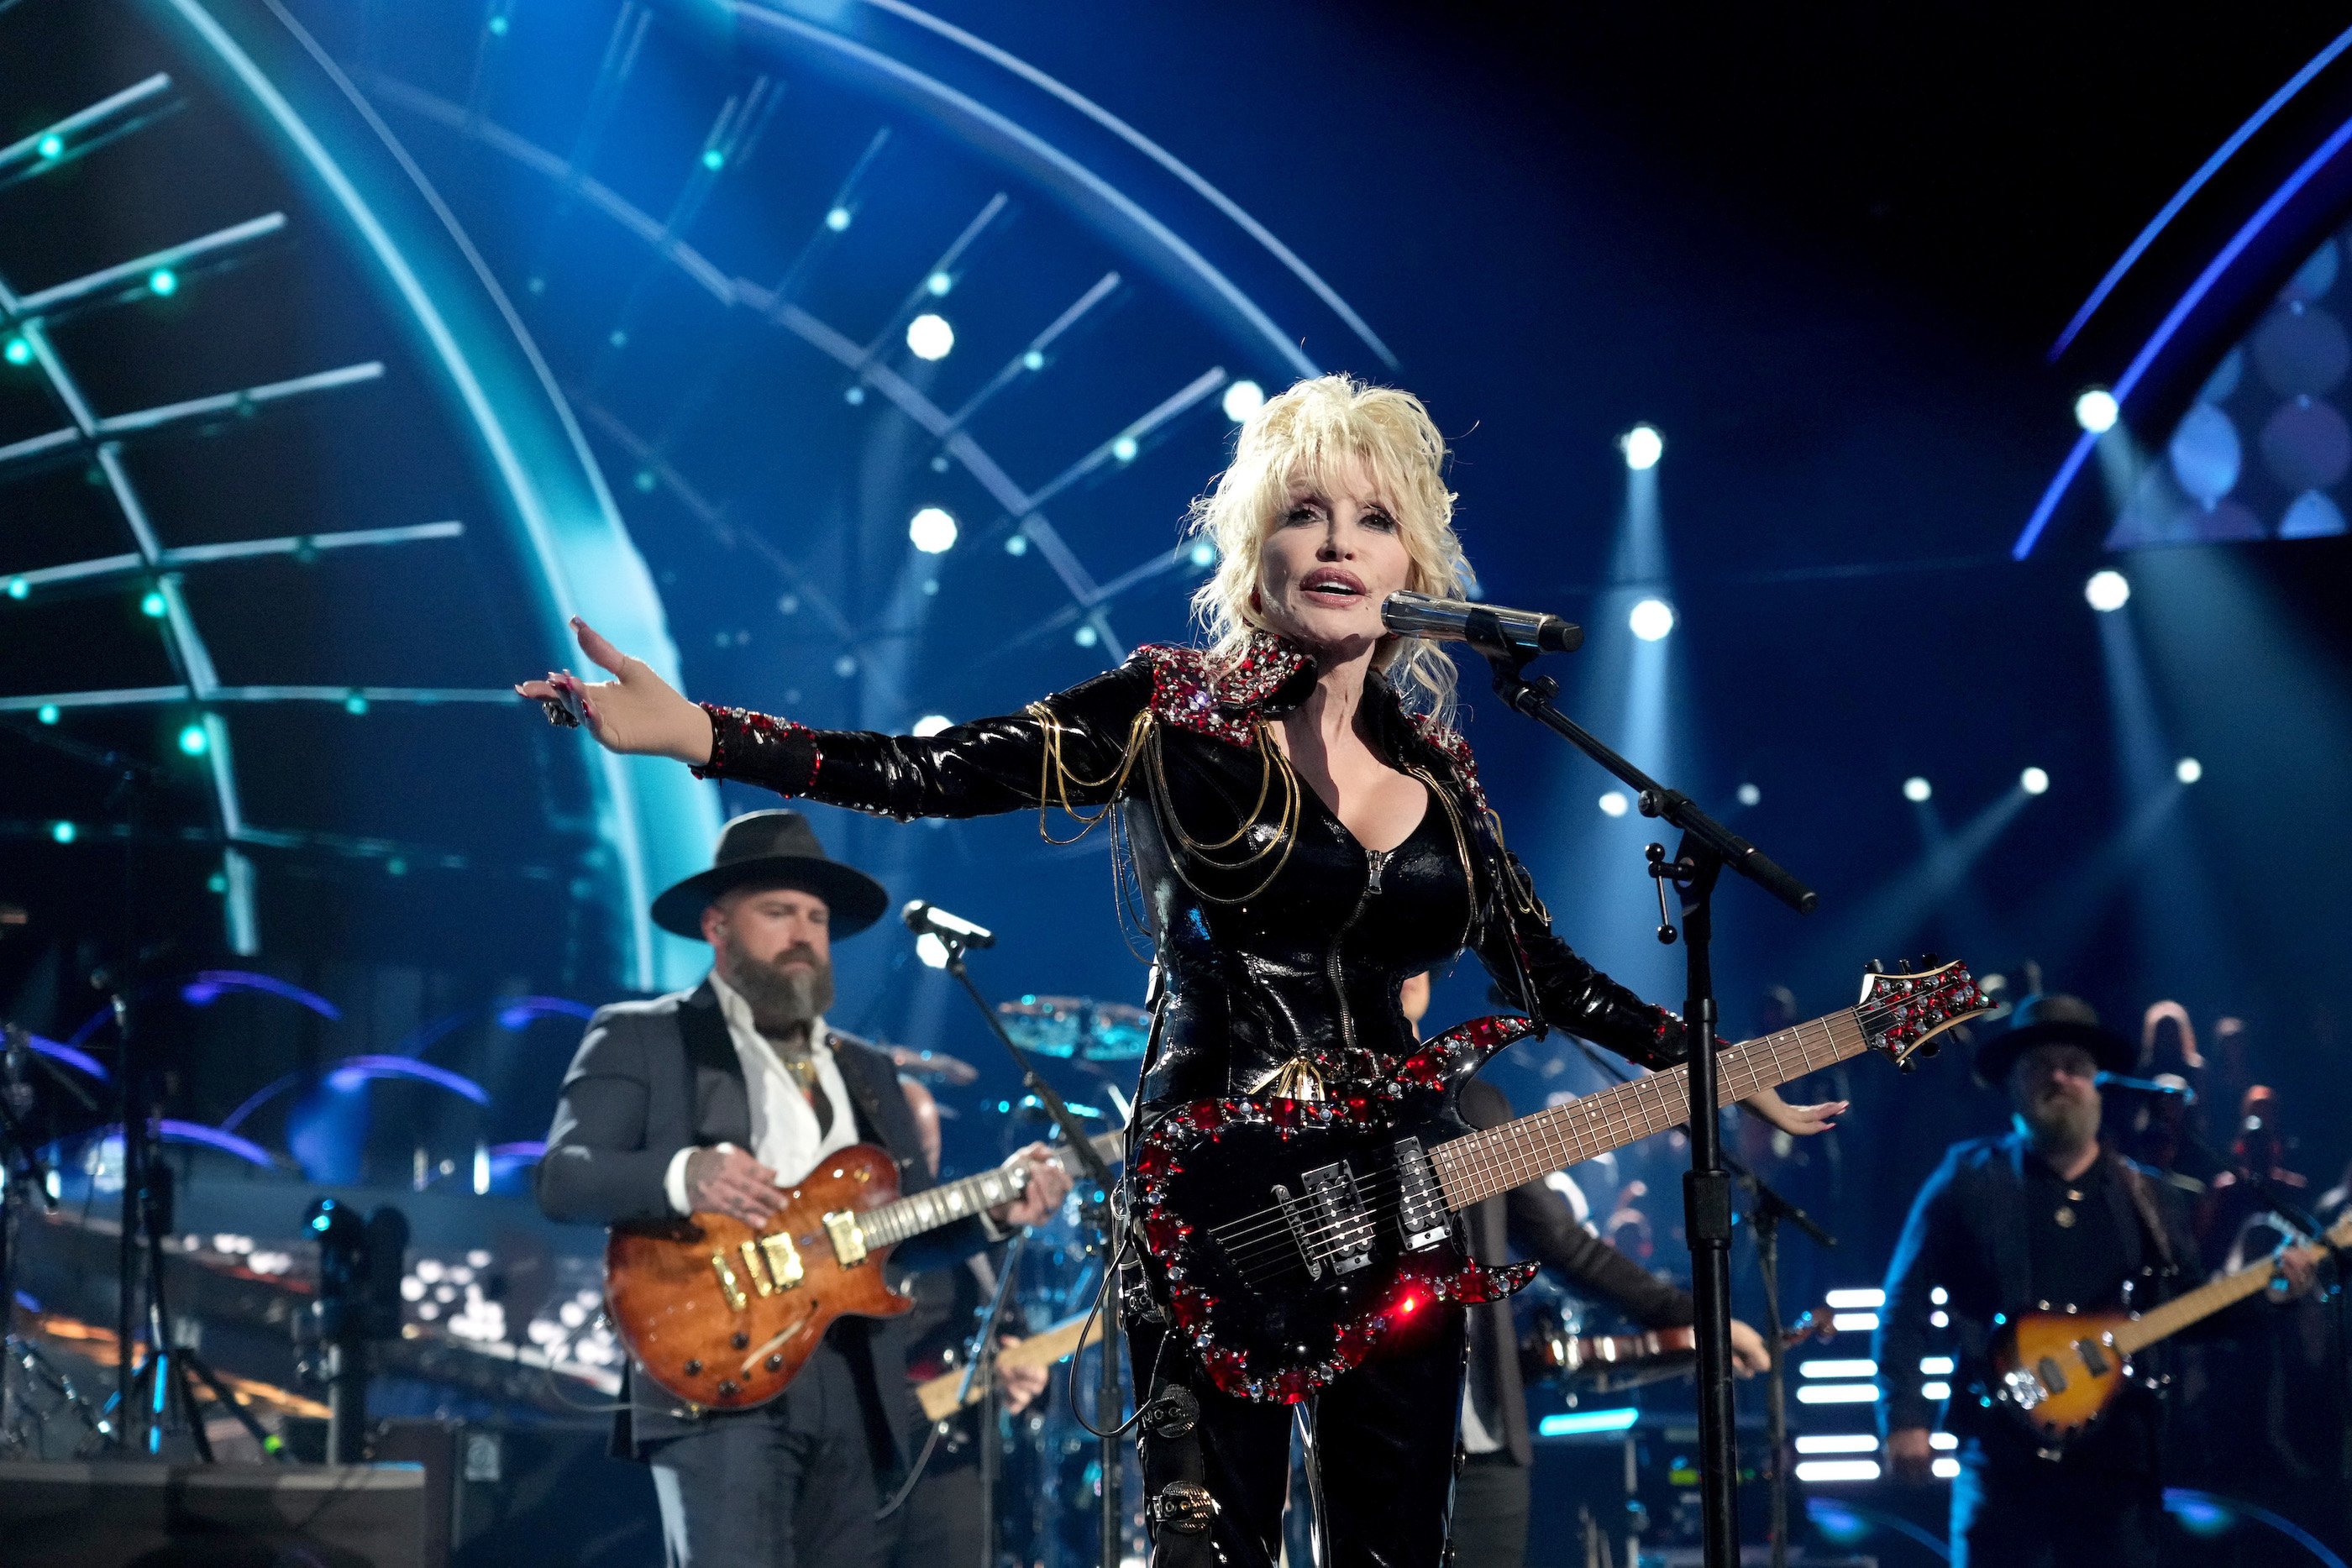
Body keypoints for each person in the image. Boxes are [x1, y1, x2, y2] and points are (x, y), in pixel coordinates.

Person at [519, 374, 1835, 1568]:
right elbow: (933, 773)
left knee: (1394, 1549)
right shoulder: (1171, 712)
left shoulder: (1441, 769)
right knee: (1215, 1548)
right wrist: (696, 731)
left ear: (1414, 563)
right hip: (1214, 1195)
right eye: (1302, 512)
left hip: (1394, 1200)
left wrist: (1719, 1065)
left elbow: (1544, 968)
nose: (1334, 540)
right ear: (1254, 552)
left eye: (1370, 519)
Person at [535, 809, 1073, 1568]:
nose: (803, 934)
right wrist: (684, 1174)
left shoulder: (867, 1070)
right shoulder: (645, 1035)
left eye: (817, 917)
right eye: (778, 911)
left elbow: (900, 1237)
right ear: (718, 926)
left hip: (854, 1380)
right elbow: (564, 1178)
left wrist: (993, 1213)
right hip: (716, 1364)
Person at [1876, 994, 2315, 1568]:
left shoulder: (2148, 1195)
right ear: (2013, 1082)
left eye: (2075, 1065)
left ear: (2097, 1082)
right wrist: (1905, 1416)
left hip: (2119, 1466)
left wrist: (2274, 1293)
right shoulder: (1967, 1177)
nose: (2059, 1077)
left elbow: (2190, 1310)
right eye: (2041, 1065)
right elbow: (1904, 1301)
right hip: (2002, 1457)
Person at [1410, 970, 1777, 1568]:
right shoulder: (1307, 1109)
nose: (1408, 969)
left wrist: (1699, 1320)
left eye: (1419, 953)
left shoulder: (1479, 1104)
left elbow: (1567, 1246)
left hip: (1485, 1438)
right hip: (1369, 1441)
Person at [883, 1075, 1053, 1568]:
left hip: (948, 1468)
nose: (924, 1167)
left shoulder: (974, 1240)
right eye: (912, 1152)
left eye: (930, 1151)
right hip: (858, 1458)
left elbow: (1012, 1332)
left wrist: (1029, 1377)